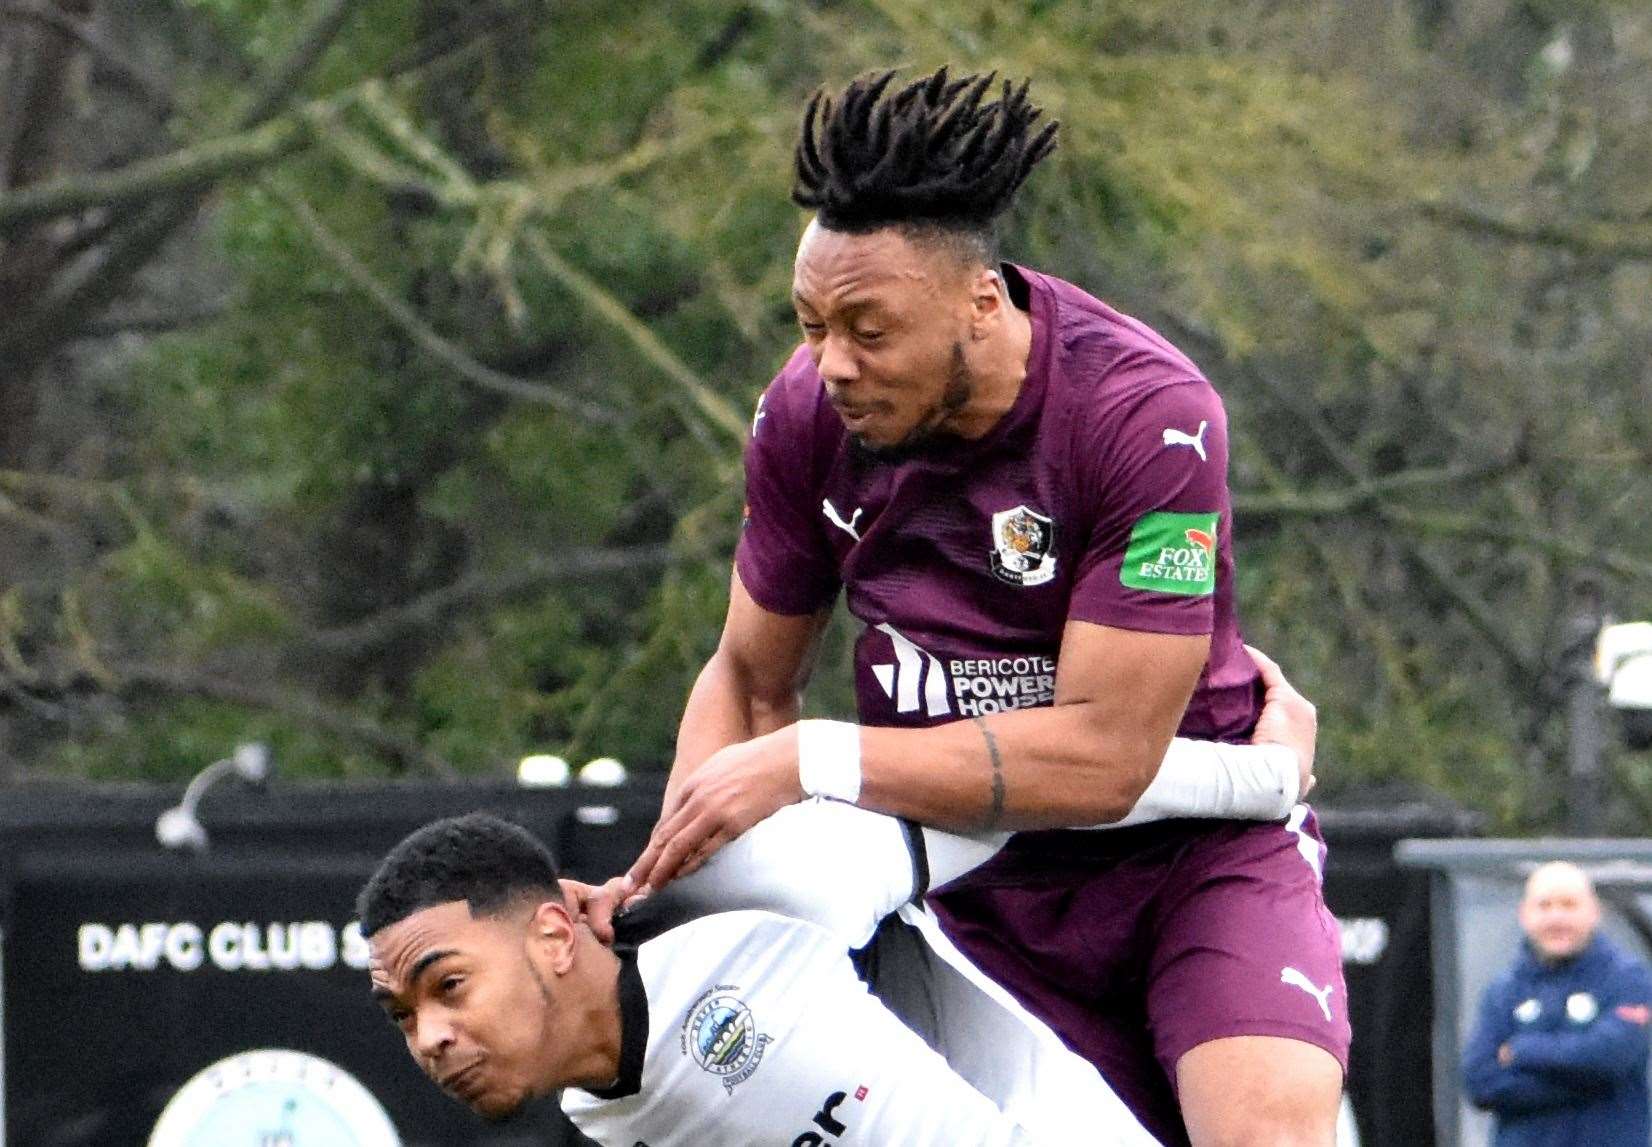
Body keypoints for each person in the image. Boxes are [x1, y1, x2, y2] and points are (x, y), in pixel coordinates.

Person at [604, 66, 1345, 1145]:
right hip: (967, 880)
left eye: (867, 327)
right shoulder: (805, 414)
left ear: (980, 302)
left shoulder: (1147, 416)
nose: (833, 363)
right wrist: (676, 885)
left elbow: (1104, 756)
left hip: (1193, 857)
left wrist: (817, 759)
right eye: (810, 324)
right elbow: (748, 679)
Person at [363, 655, 1318, 1146]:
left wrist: (1257, 779)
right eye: (405, 1016)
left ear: (553, 931)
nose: (431, 1035)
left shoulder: (740, 893)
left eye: (448, 984)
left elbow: (1025, 795)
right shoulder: (598, 1108)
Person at [1461, 861, 1652, 1146]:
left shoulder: (1628, 979)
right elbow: (1480, 1081)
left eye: (1569, 905)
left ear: (1594, 913)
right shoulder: (1504, 990)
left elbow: (1611, 1057)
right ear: (1525, 915)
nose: (1556, 917)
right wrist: (1586, 1081)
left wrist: (1522, 1050)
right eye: (1545, 906)